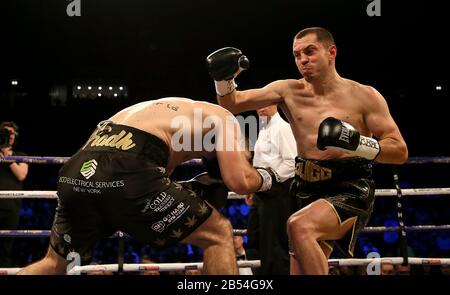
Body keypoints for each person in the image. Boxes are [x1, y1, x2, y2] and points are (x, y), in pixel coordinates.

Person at [206, 27, 408, 275]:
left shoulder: (364, 96)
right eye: (297, 54)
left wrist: (358, 143)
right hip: (304, 189)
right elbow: (232, 103)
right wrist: (222, 78)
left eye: (310, 51)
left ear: (331, 52)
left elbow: (399, 151)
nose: (303, 60)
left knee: (299, 225)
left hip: (349, 188)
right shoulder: (288, 90)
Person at [17, 97, 281, 275]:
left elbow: (152, 180)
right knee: (219, 233)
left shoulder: (167, 114)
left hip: (78, 168)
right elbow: (240, 180)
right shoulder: (226, 120)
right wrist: (269, 176)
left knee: (54, 263)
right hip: (128, 168)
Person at [248, 105, 297, 274]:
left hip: (278, 192)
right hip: (261, 191)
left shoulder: (283, 128)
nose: (261, 108)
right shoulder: (263, 128)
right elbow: (259, 160)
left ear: (275, 104)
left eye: (266, 104)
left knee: (274, 244)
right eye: (258, 105)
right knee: (255, 238)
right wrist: (252, 186)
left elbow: (292, 163)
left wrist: (268, 180)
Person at [0, 121, 29, 267]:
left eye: (11, 133)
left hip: (12, 207)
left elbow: (21, 175)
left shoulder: (21, 155)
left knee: (6, 248)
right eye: (5, 132)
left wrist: (6, 156)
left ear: (15, 136)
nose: (9, 136)